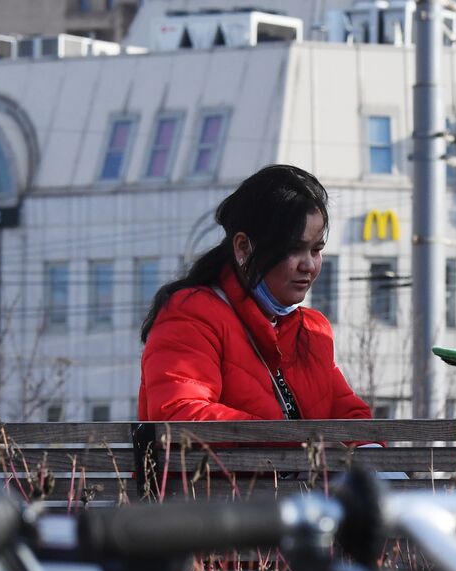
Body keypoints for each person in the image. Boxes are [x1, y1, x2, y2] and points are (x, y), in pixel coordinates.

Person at [139, 164, 371, 422]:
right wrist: (298, 444)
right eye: (293, 249)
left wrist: (368, 448)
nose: (308, 265)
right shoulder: (192, 314)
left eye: (316, 250)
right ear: (243, 247)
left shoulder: (312, 331)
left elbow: (351, 415)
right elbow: (179, 413)